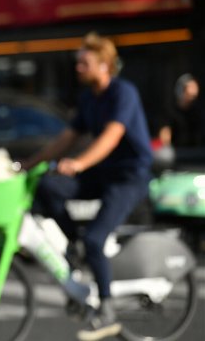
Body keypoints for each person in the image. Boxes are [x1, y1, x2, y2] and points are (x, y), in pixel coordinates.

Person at [23, 32, 153, 341]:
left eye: (85, 62)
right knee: (48, 186)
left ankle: (106, 308)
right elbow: (66, 139)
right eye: (77, 62)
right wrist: (28, 164)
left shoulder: (124, 93)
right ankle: (76, 243)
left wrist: (79, 164)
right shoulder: (88, 99)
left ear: (105, 65)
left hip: (129, 177)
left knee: (96, 238)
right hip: (102, 173)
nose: (78, 67)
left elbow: (111, 136)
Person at [155, 73, 202, 148]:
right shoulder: (170, 113)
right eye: (188, 91)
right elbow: (164, 138)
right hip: (176, 154)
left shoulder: (199, 113)